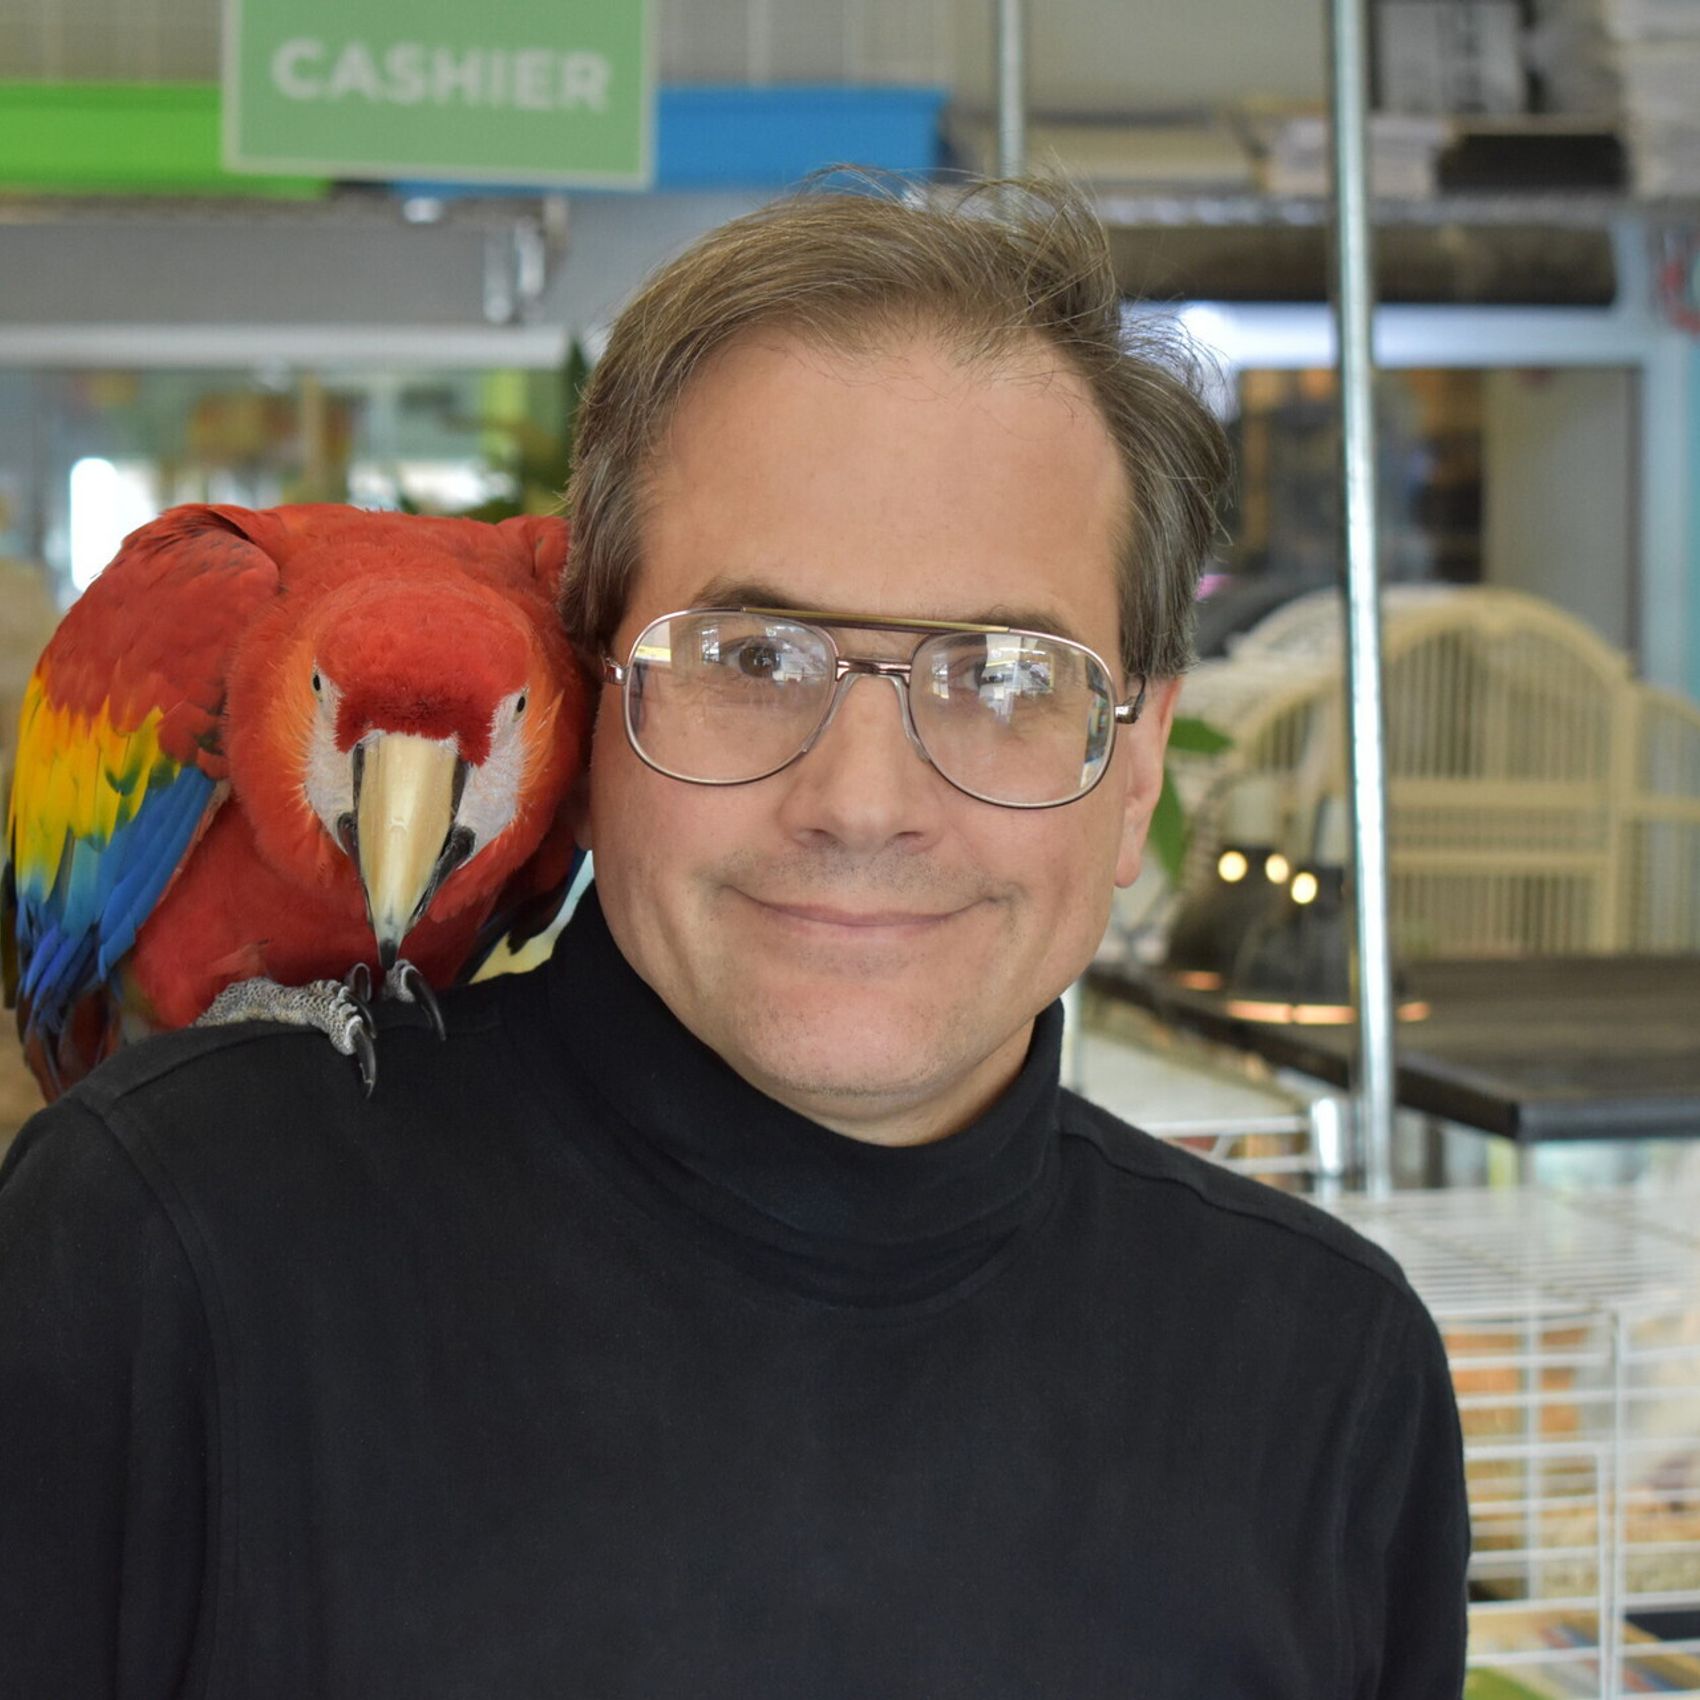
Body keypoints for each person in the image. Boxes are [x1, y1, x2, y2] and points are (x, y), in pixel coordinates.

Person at [0, 177, 1469, 1698]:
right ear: (594, 695)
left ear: (1141, 749)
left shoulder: (1326, 1377)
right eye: (751, 657)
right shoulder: (157, 1251)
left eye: (1007, 674)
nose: (861, 802)